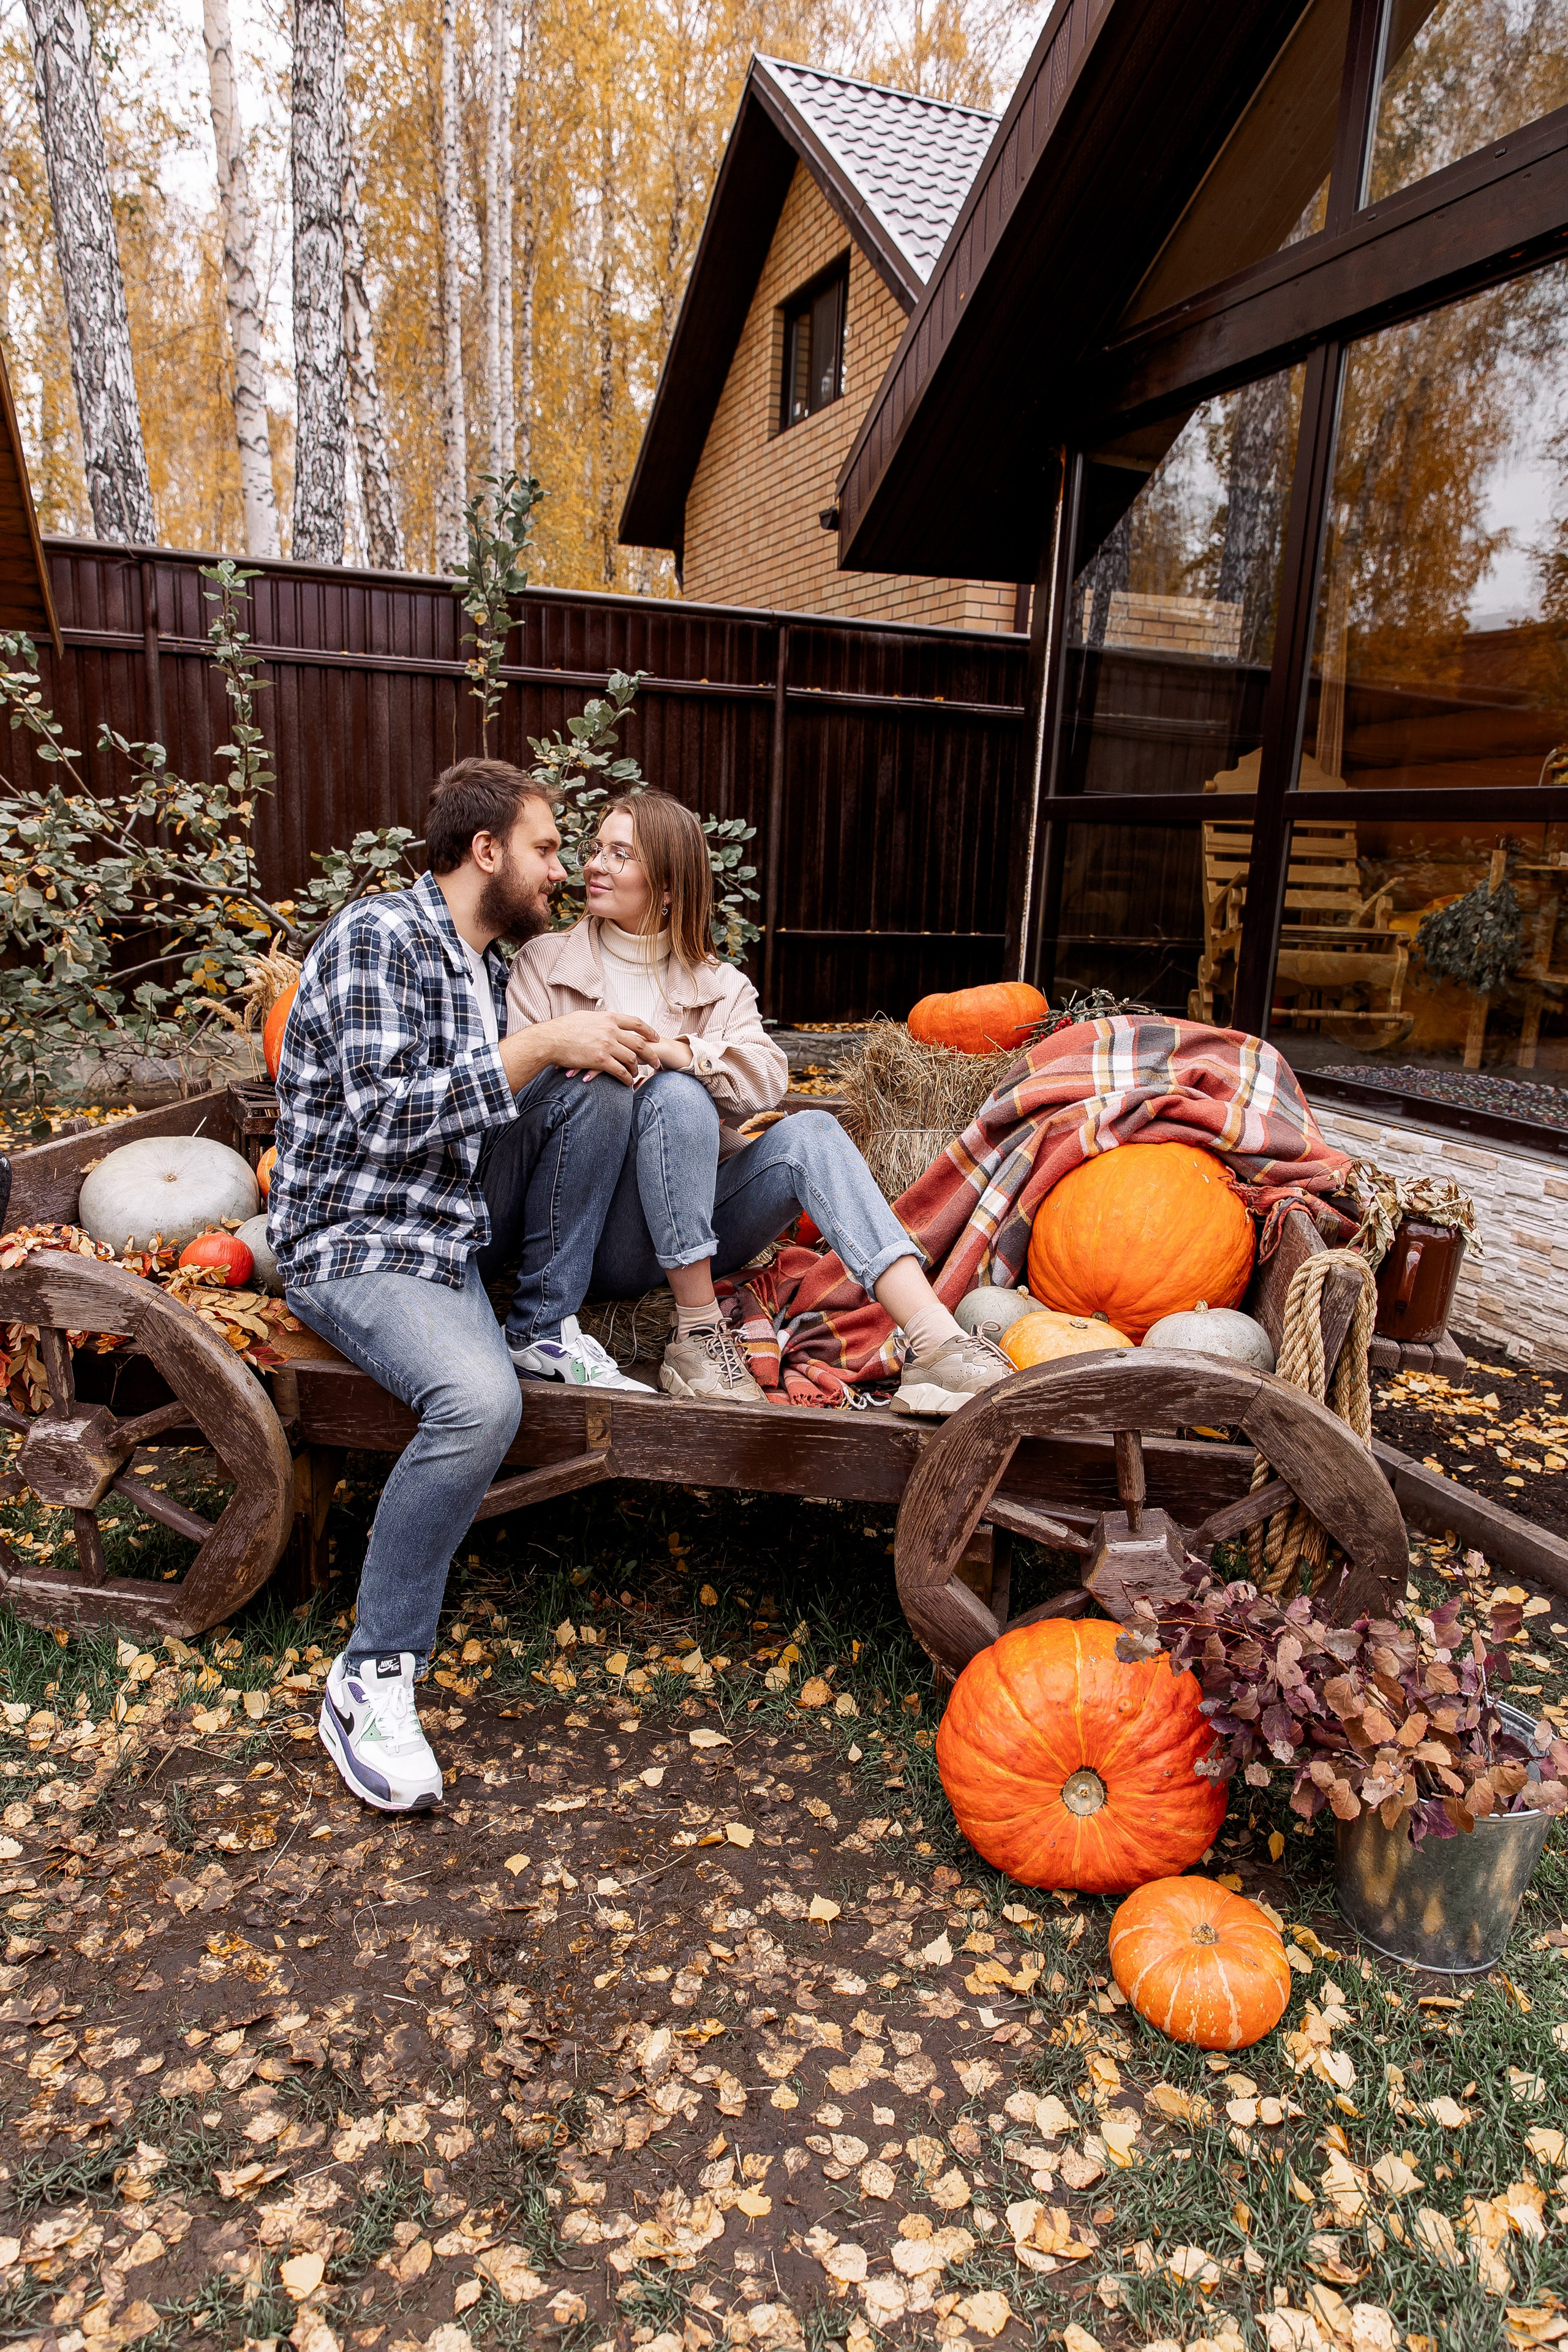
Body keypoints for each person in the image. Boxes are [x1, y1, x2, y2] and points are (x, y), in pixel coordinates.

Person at [270, 758, 663, 1813]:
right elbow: (386, 1115)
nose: (557, 870)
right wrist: (537, 1045)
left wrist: (581, 1055)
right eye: (543, 848)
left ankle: (542, 1324)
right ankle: (372, 1673)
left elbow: (493, 1112)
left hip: (446, 1231)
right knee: (475, 1403)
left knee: (597, 1083)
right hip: (356, 1240)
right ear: (486, 851)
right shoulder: (376, 938)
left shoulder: (484, 966)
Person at [502, 790, 1013, 1414]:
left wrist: (681, 1050)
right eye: (596, 849)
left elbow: (767, 1081)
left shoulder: (717, 985)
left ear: (667, 885)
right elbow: (524, 1106)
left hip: (695, 1218)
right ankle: (697, 1331)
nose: (595, 865)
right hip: (590, 1230)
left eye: (620, 854)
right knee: (675, 1097)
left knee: (811, 1131)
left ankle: (937, 1341)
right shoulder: (543, 963)